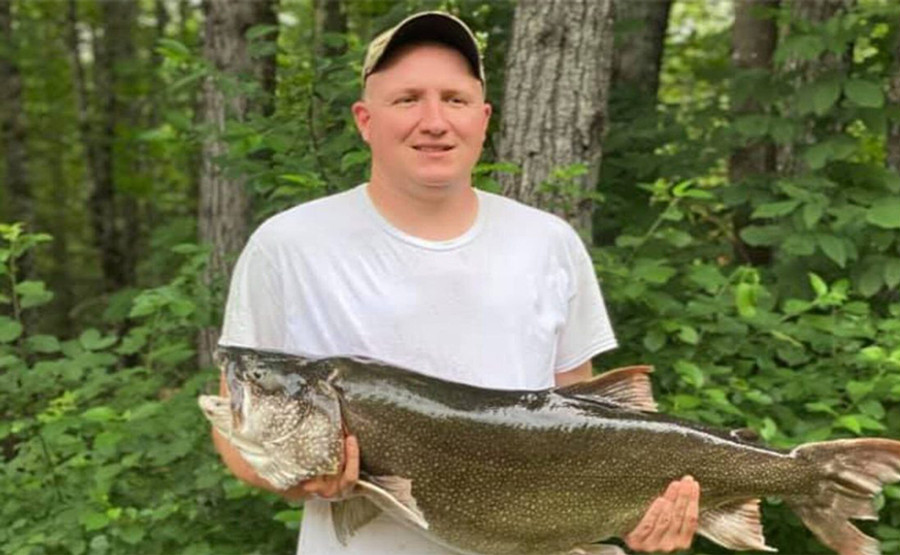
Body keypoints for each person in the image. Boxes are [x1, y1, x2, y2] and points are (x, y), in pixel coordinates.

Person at [212, 11, 701, 554]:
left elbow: (585, 425)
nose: (434, 120)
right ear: (364, 119)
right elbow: (236, 423)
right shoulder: (288, 245)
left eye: (455, 99)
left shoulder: (548, 242)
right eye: (407, 99)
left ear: (483, 118)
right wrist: (298, 475)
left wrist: (638, 513)